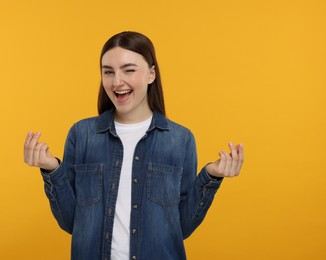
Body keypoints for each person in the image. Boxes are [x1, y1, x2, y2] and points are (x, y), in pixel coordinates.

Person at [24, 31, 244, 260]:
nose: (117, 81)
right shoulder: (82, 134)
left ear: (151, 74)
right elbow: (70, 222)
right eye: (108, 72)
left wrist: (211, 176)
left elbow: (182, 228)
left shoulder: (181, 139)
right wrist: (51, 170)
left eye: (129, 70)